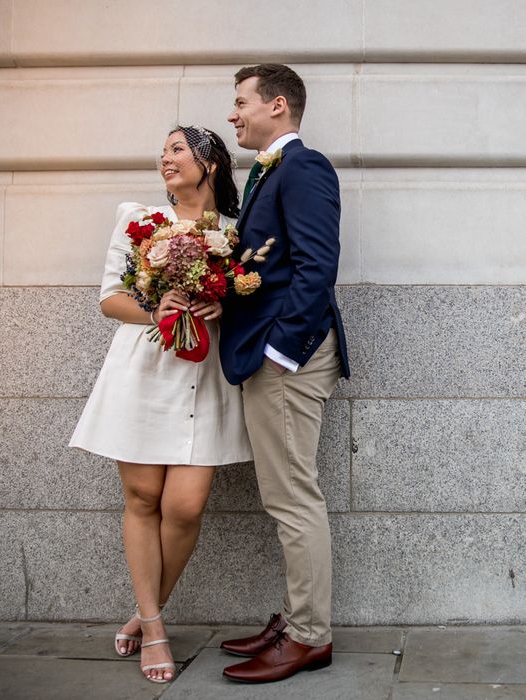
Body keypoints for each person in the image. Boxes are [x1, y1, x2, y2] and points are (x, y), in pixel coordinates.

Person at [69, 125, 252, 685]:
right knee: (143, 496)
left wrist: (228, 308)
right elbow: (109, 298)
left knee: (186, 506)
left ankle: (142, 610)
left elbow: (252, 292)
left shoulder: (235, 232)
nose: (166, 159)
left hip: (205, 379)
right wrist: (157, 311)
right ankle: (154, 625)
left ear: (211, 163)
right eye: (164, 150)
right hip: (144, 371)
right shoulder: (138, 219)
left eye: (178, 149)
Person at [218, 64, 351, 683]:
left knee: (293, 496)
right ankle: (298, 619)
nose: (232, 114)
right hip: (269, 354)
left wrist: (280, 353)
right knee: (283, 495)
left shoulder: (303, 166)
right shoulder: (266, 172)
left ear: (277, 105)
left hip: (288, 359)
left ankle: (309, 637)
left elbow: (317, 267)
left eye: (241, 102)